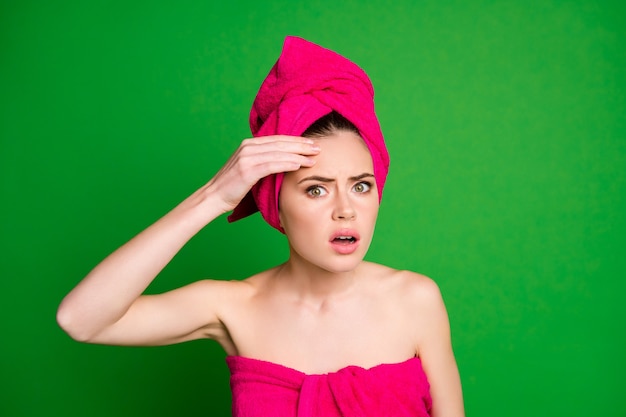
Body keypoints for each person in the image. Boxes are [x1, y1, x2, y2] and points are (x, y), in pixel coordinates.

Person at [57, 36, 464, 417]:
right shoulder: (234, 307)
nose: (346, 210)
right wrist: (214, 197)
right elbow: (81, 319)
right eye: (316, 190)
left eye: (361, 186)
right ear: (276, 209)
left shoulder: (416, 300)